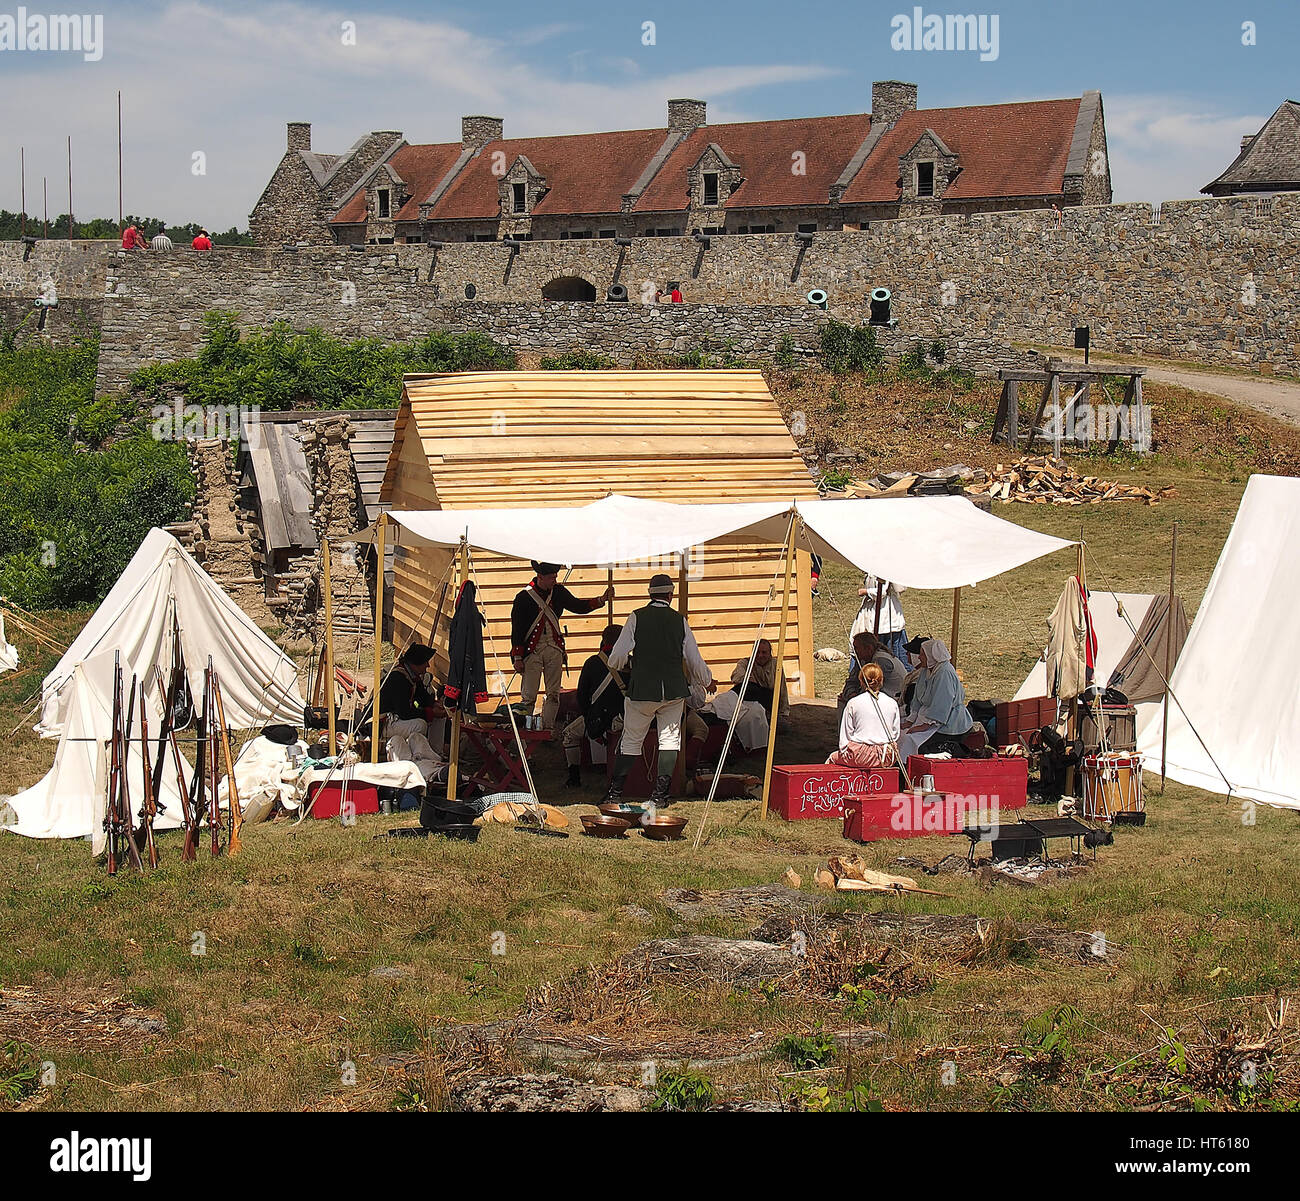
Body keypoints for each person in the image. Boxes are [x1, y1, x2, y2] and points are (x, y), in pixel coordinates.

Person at [605, 574, 713, 806]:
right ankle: (660, 795)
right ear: (670, 595)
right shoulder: (679, 620)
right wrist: (706, 680)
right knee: (670, 740)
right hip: (674, 692)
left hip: (642, 690)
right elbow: (694, 660)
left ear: (649, 594)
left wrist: (625, 664)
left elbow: (616, 658)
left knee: (632, 739)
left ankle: (615, 793)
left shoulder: (636, 617)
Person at [511, 561, 613, 732]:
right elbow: (517, 629)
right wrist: (518, 657)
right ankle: (526, 731)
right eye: (551, 577)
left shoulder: (557, 592)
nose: (555, 580)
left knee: (553, 694)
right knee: (528, 696)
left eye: (555, 577)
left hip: (554, 649)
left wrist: (601, 600)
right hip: (532, 651)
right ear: (540, 577)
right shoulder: (524, 597)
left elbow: (578, 606)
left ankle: (548, 729)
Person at [561, 624, 627, 788]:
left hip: (598, 718)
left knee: (569, 734)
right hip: (625, 718)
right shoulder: (630, 662)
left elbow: (582, 697)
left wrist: (590, 722)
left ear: (603, 640)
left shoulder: (592, 662)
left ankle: (574, 779)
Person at [377, 643, 445, 783]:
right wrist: (430, 713)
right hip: (383, 723)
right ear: (415, 663)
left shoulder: (411, 676)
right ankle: (420, 757)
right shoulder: (398, 678)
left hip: (398, 720)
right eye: (424, 662)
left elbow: (422, 697)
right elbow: (404, 712)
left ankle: (435, 754)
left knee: (441, 718)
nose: (427, 665)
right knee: (420, 725)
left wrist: (434, 705)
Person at [709, 638, 789, 752]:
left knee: (783, 727)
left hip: (767, 704)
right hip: (747, 701)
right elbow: (737, 676)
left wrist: (783, 712)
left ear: (770, 653)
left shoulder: (776, 665)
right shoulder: (745, 663)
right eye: (757, 652)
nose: (760, 655)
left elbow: (782, 689)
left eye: (764, 652)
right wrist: (749, 679)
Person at [900, 638, 973, 760]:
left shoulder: (944, 673)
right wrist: (910, 720)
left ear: (931, 655)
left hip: (950, 724)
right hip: (929, 720)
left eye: (922, 654)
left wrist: (925, 725)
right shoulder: (925, 670)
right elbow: (917, 699)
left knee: (918, 744)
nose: (919, 657)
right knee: (904, 735)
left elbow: (942, 703)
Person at [828, 663, 899, 769]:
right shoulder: (892, 703)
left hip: (860, 756)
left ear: (861, 681)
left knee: (832, 758)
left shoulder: (853, 703)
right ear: (881, 680)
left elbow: (846, 736)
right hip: (887, 756)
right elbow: (895, 734)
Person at [848, 573, 908, 670]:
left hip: (885, 617)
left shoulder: (882, 570)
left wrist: (866, 591)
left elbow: (882, 591)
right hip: (877, 613)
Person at [838, 631, 907, 712]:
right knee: (844, 701)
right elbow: (852, 681)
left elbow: (871, 687)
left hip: (891, 699)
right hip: (874, 697)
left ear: (868, 648)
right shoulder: (862, 659)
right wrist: (851, 693)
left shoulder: (881, 660)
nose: (855, 651)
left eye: (857, 648)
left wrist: (855, 698)